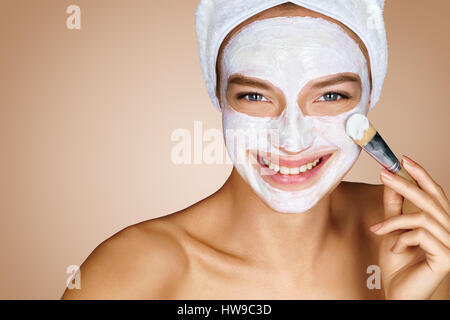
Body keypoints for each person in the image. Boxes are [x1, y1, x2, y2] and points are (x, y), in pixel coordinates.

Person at [62, 2, 449, 299]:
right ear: (219, 97)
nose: (292, 140)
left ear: (369, 98)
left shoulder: (413, 236)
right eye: (254, 95)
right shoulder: (135, 271)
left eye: (331, 95)